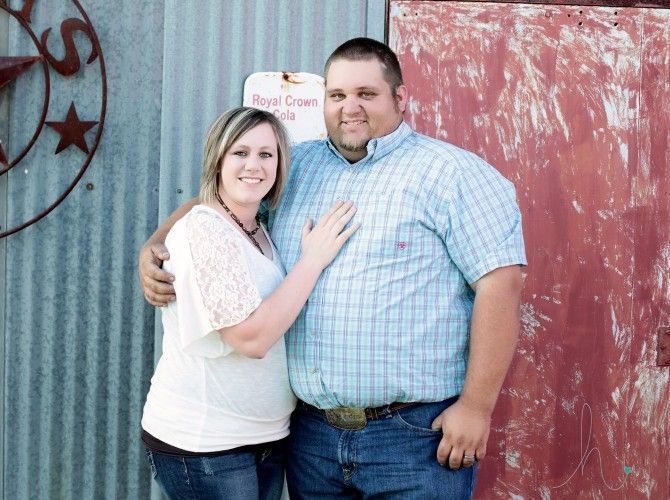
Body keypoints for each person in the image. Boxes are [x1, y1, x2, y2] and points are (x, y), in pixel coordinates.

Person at [139, 38, 526, 499]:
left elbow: (501, 286)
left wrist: (477, 407)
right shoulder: (296, 165)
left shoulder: (453, 175)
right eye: (337, 96)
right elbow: (218, 205)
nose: (350, 108)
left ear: (400, 98)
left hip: (412, 437)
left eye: (367, 94)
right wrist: (156, 243)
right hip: (311, 437)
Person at [140, 106, 359, 500]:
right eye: (239, 153)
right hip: (208, 445)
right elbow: (251, 339)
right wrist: (313, 261)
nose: (253, 166)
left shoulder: (256, 225)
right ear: (217, 159)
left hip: (265, 439)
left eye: (266, 154)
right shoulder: (204, 230)